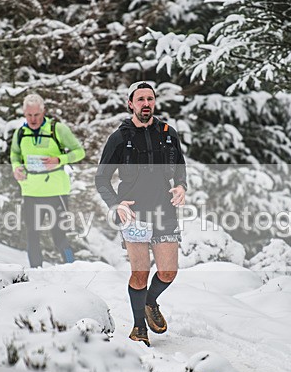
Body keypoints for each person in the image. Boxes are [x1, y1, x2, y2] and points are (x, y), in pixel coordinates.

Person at [95, 82, 187, 346]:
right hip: (133, 214)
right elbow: (101, 179)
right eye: (140, 99)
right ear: (131, 104)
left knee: (168, 272)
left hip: (164, 210)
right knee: (140, 273)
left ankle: (149, 301)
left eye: (150, 99)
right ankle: (138, 328)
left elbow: (180, 168)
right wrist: (116, 203)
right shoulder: (119, 138)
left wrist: (181, 186)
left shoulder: (169, 134)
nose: (146, 103)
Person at [10, 93, 85, 267]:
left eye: (36, 115)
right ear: (24, 113)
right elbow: (14, 154)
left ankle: (72, 268)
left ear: (43, 112)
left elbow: (79, 152)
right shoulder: (21, 133)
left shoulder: (57, 129)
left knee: (59, 235)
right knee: (32, 234)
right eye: (29, 115)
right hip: (30, 191)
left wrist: (59, 160)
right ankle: (36, 273)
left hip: (57, 191)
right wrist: (16, 168)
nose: (33, 119)